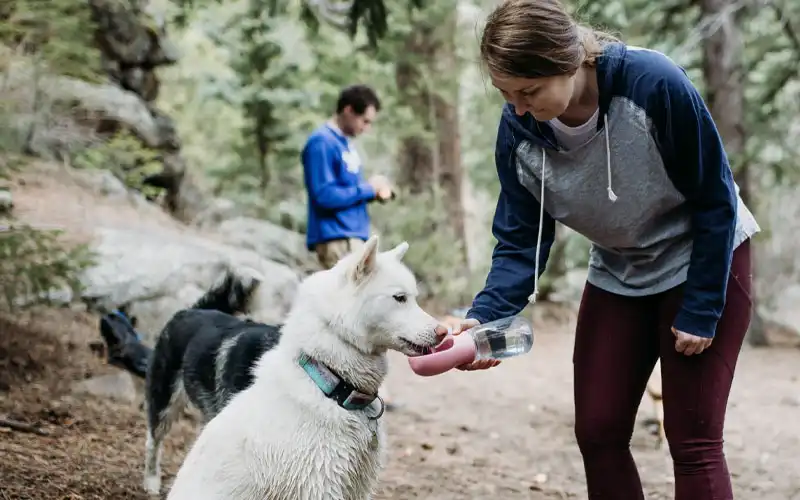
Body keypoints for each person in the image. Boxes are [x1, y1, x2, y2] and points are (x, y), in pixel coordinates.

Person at [451, 0, 761, 498]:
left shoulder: (653, 85)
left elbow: (715, 198)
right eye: (505, 94)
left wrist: (703, 305)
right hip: (620, 267)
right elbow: (520, 241)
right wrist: (486, 315)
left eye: (529, 91)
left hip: (704, 259)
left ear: (569, 59)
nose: (517, 109)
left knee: (693, 440)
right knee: (598, 431)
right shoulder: (519, 133)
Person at [301, 83, 398, 407]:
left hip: (355, 237)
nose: (365, 128)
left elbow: (349, 191)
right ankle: (342, 383)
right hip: (335, 238)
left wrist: (375, 191)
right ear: (347, 111)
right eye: (364, 121)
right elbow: (324, 196)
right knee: (348, 311)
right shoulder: (320, 143)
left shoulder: (346, 145)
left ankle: (365, 382)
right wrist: (367, 190)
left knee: (363, 307)